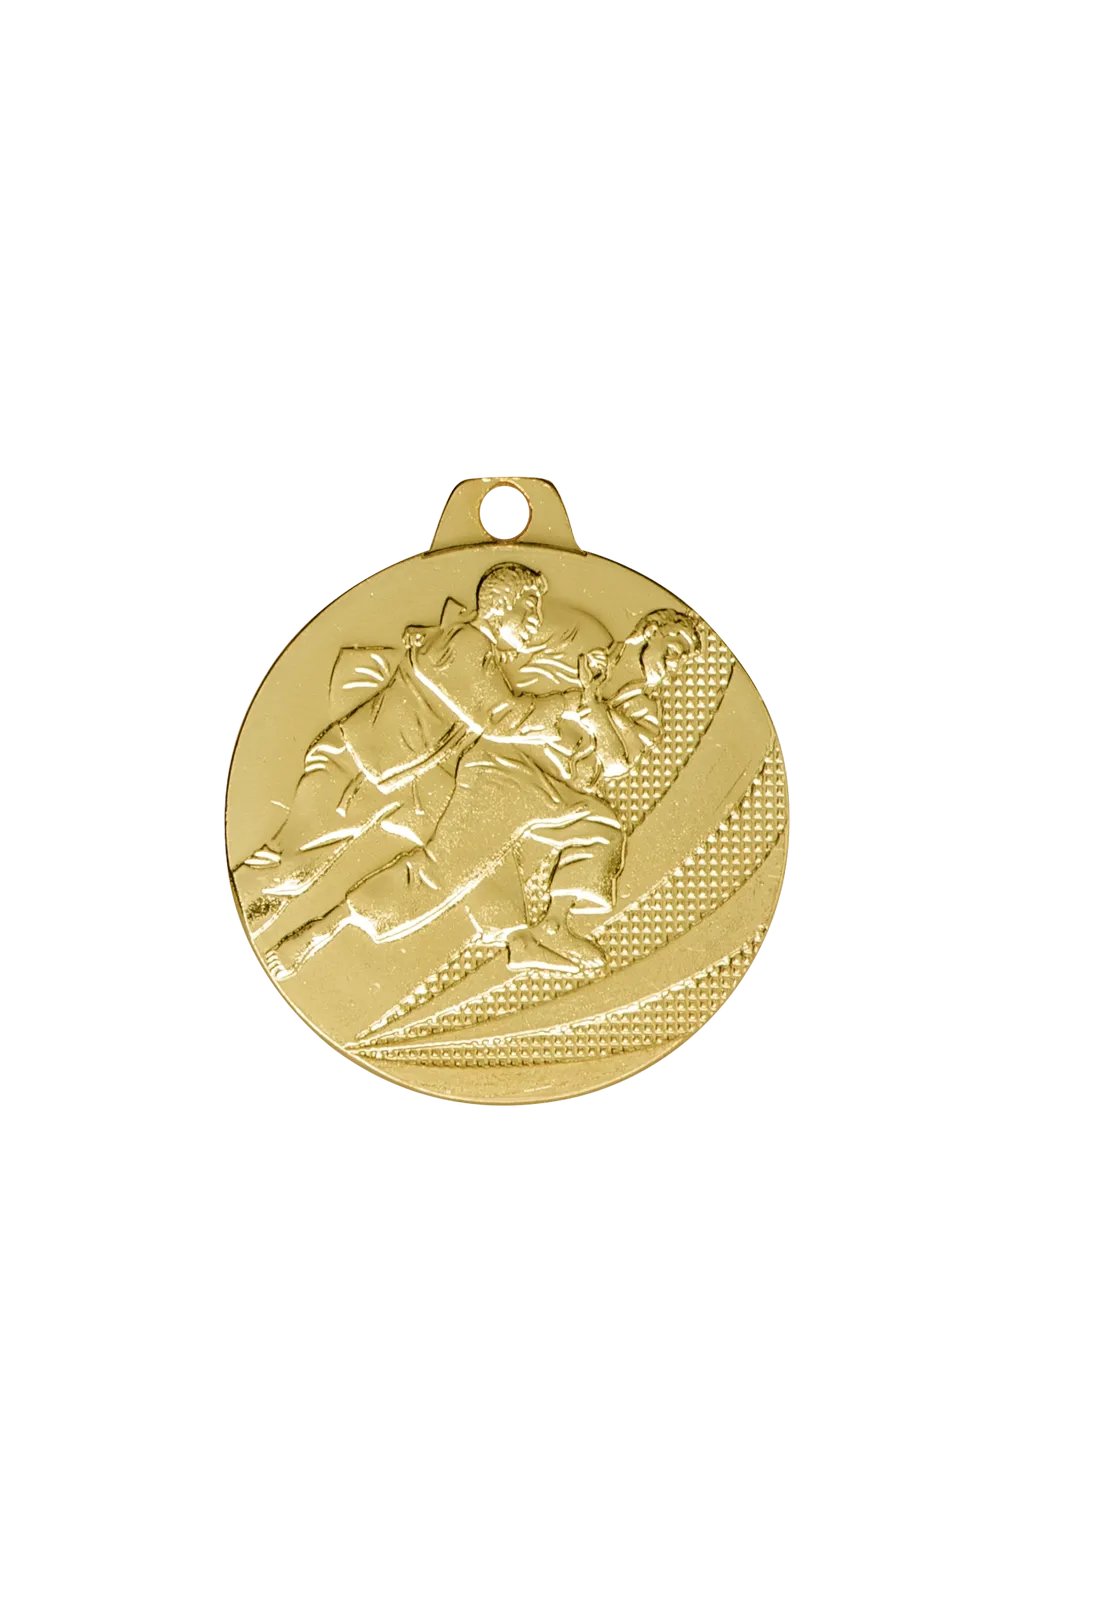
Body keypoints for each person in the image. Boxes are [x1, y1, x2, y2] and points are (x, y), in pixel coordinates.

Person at [266, 606, 699, 979]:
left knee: (603, 831)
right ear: (648, 632)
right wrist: (436, 638)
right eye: (675, 648)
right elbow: (499, 638)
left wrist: (594, 703)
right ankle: (324, 928)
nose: (675, 663)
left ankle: (552, 927)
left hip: (553, 792)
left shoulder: (644, 709)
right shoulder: (582, 639)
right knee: (443, 873)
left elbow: (617, 761)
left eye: (682, 660)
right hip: (502, 771)